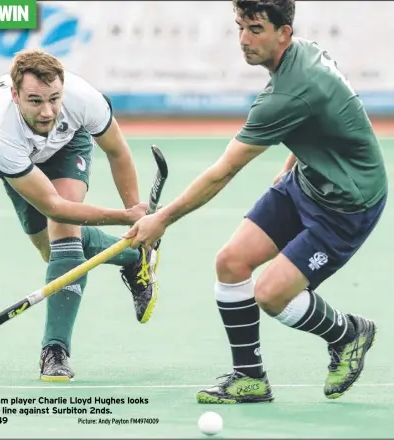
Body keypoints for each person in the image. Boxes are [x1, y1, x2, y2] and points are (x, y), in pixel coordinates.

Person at [125, 0, 387, 403]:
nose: (244, 40)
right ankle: (250, 379)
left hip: (347, 205)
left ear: (284, 32)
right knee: (230, 263)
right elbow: (328, 114)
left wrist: (162, 220)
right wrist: (294, 159)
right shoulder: (304, 55)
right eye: (240, 27)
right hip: (307, 181)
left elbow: (222, 172)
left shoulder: (287, 94)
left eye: (256, 29)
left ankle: (349, 333)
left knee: (271, 294)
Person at [0, 48, 160, 382]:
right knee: (54, 252)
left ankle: (55, 350)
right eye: (35, 101)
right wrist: (124, 217)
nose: (47, 111)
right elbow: (53, 206)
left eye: (54, 99)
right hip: (20, 163)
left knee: (65, 239)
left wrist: (138, 218)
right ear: (15, 96)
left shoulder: (82, 99)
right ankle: (133, 258)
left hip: (66, 147)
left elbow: (117, 151)